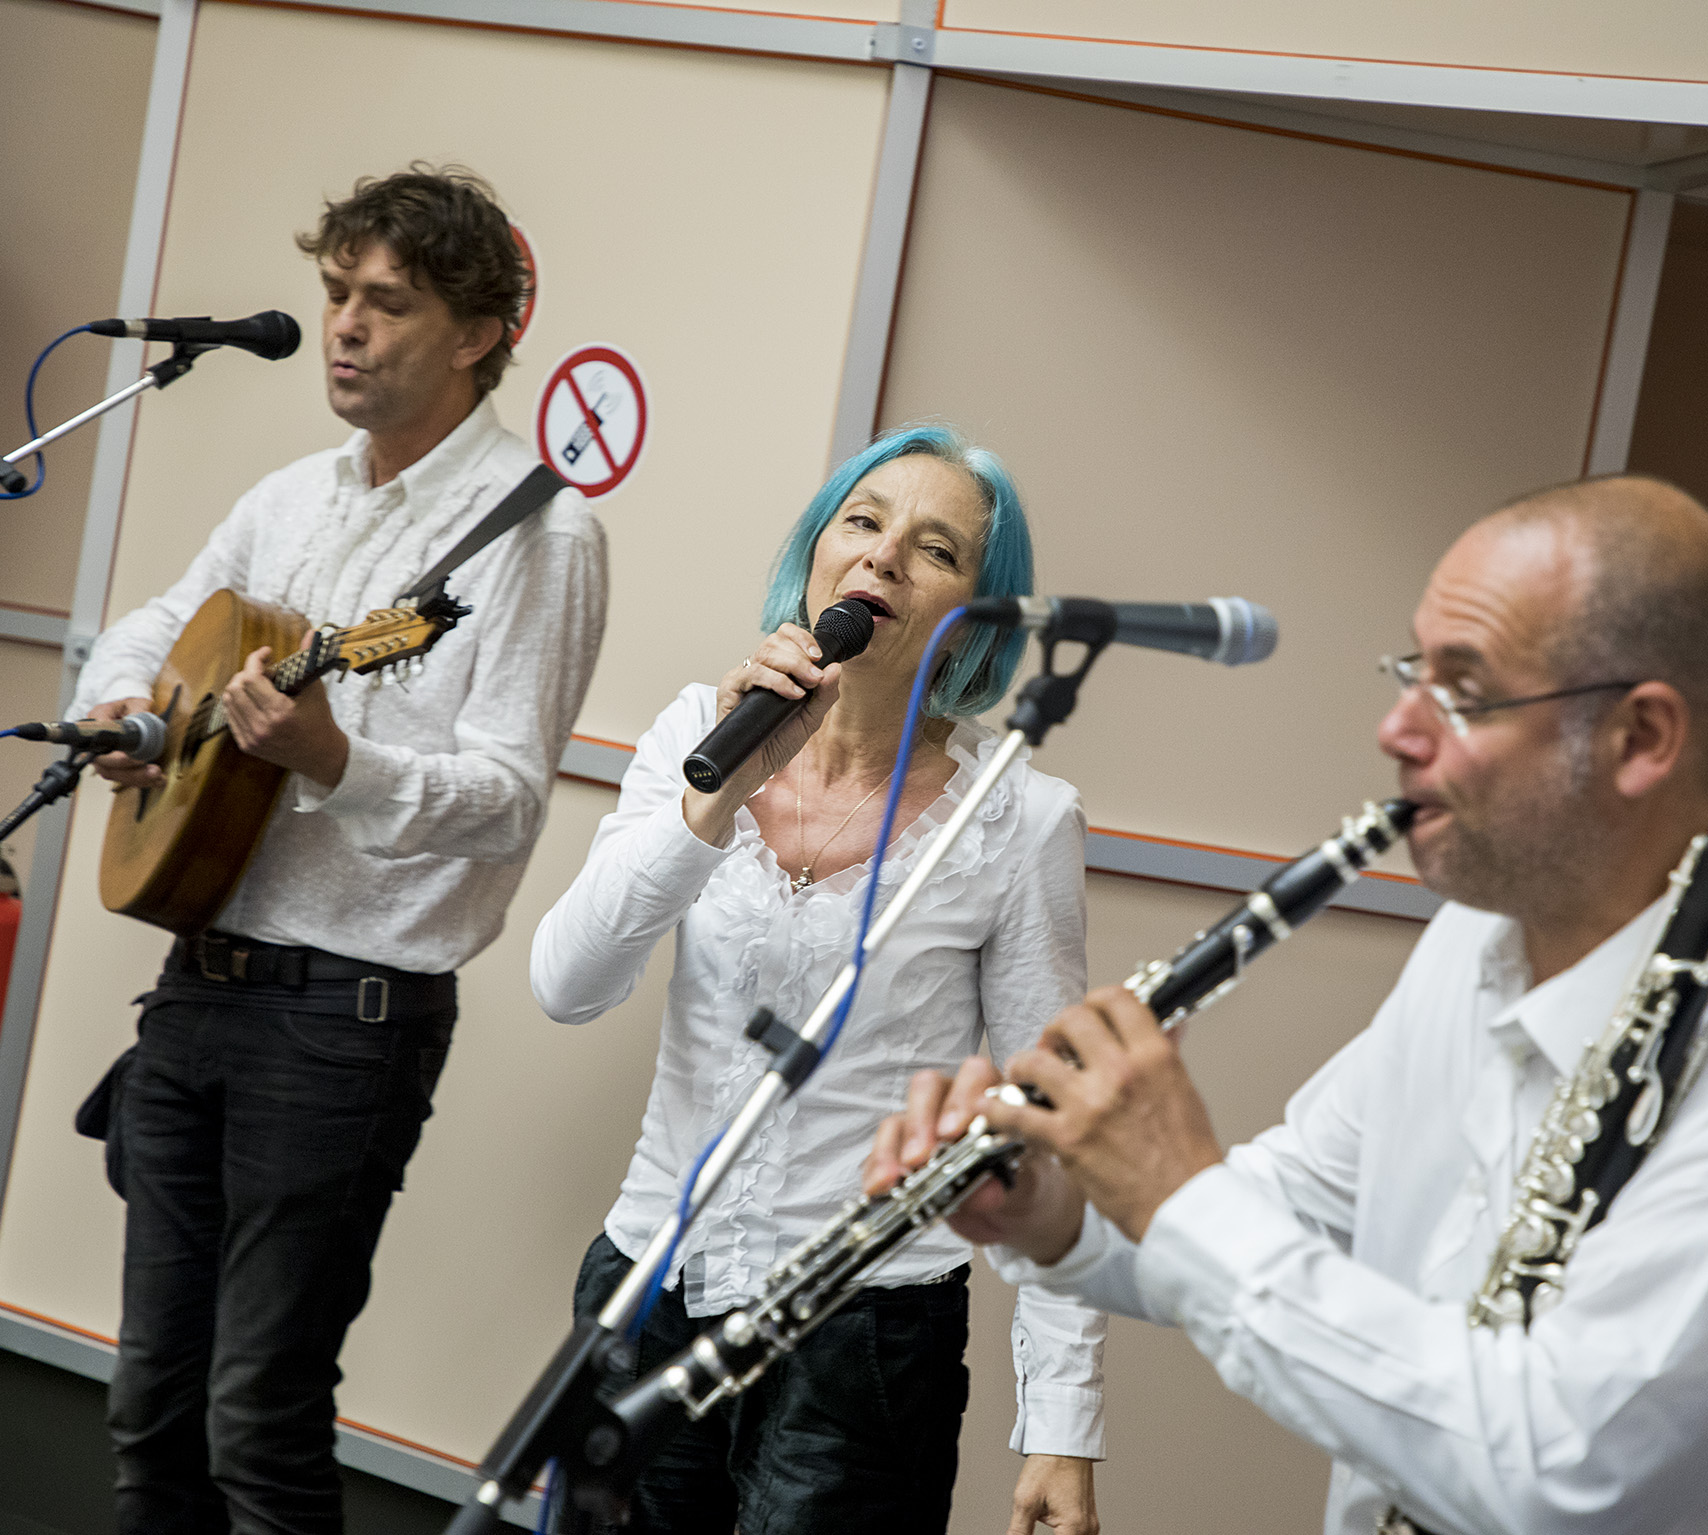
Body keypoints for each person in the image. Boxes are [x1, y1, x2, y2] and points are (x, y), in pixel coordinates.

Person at [871, 475, 1708, 1535]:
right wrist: (1059, 1205)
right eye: (1410, 671)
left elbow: (1552, 1470)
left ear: (1641, 736)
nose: (1397, 729)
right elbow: (1297, 1205)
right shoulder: (1485, 931)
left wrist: (1178, 1190)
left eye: (1461, 690)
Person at [72, 165, 608, 1534]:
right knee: (147, 1408)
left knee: (257, 1417)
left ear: (479, 332)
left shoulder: (538, 531)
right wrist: (126, 708)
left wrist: (335, 759)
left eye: (387, 301)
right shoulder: (289, 497)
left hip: (343, 1020)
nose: (346, 326)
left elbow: (506, 799)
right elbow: (157, 622)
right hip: (198, 981)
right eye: (335, 293)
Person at [530, 424, 1104, 1535]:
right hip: (648, 1291)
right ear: (814, 556)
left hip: (863, 1341)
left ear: (977, 618)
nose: (883, 555)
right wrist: (715, 798)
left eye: (935, 548)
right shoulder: (695, 734)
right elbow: (568, 982)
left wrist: (1062, 1422)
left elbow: (1046, 1126)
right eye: (862, 521)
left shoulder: (1019, 817)